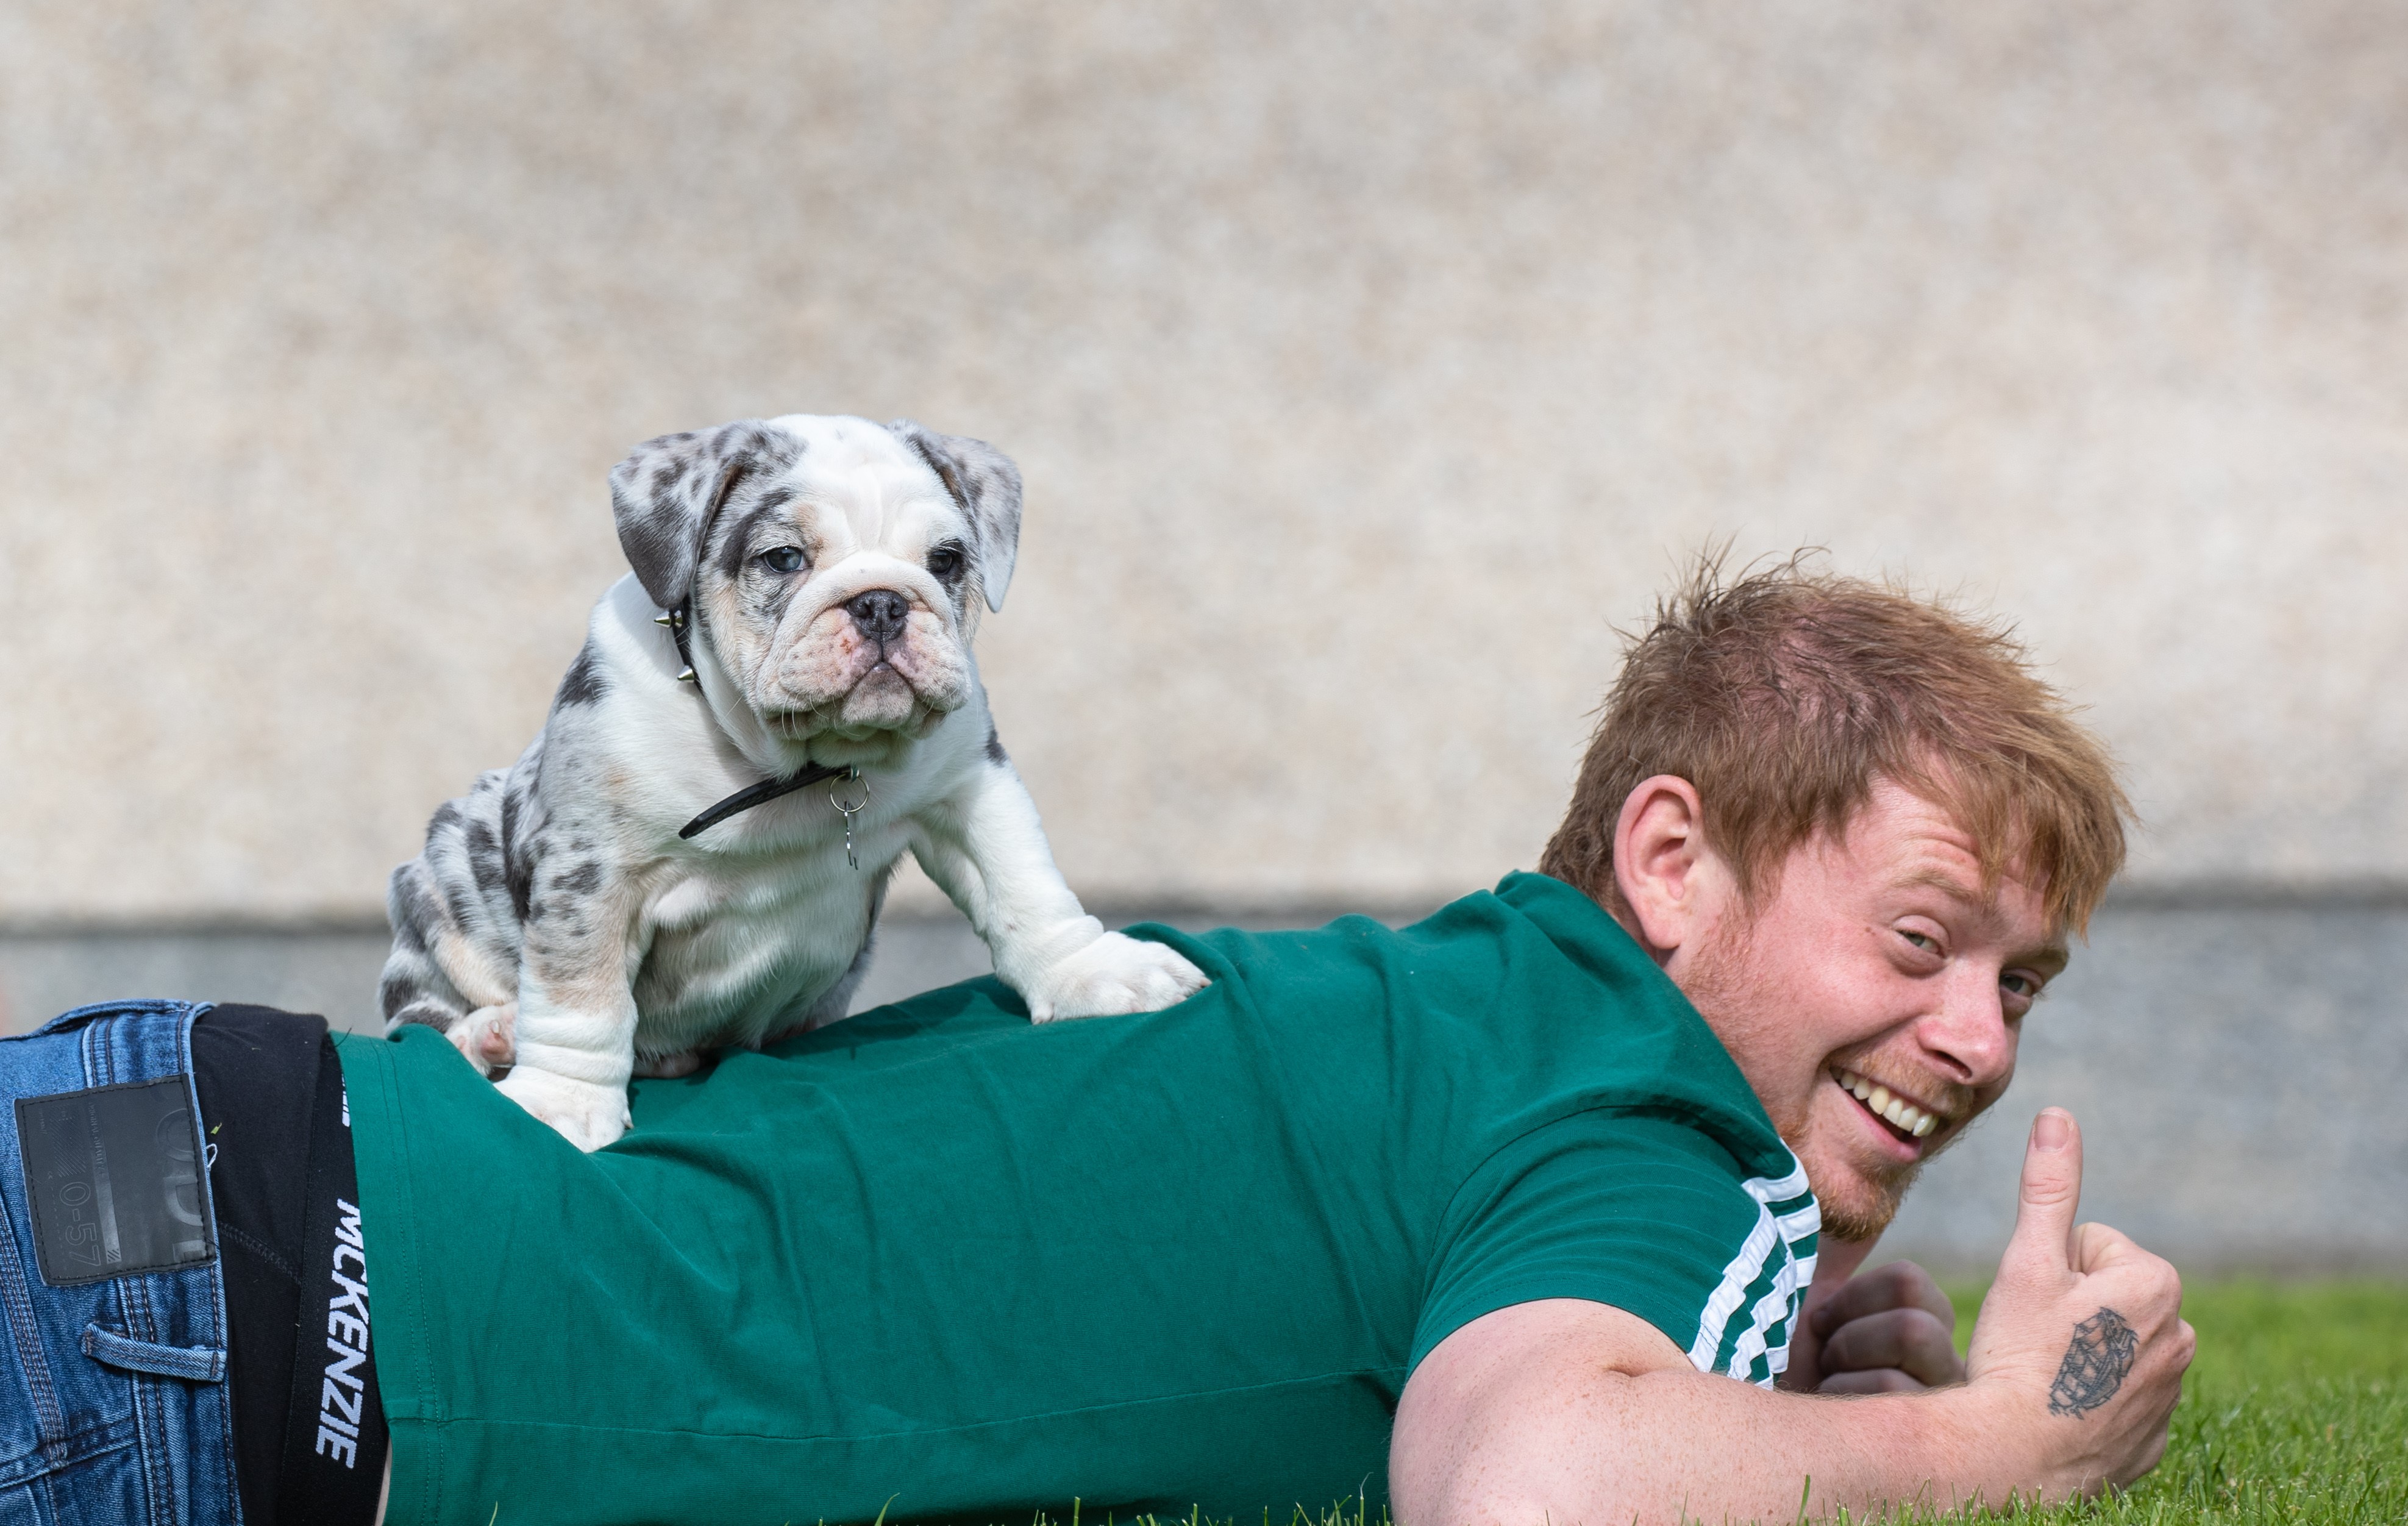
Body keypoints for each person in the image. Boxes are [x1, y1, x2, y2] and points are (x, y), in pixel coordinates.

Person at [0, 559, 2192, 1525]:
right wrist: (2004, 1444)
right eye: (1926, 937)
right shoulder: (1656, 1122)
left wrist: (1698, 1363)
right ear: (1673, 857)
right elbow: (1533, 1492)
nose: (1977, 1038)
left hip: (188, 1140)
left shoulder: (1457, 1017)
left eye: (2024, 981)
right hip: (240, 1367)